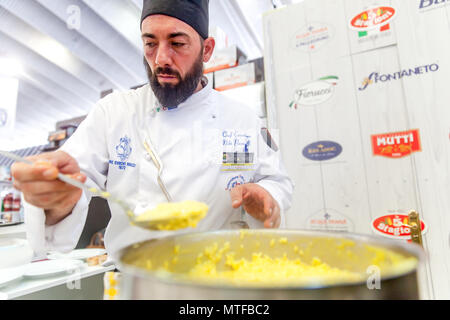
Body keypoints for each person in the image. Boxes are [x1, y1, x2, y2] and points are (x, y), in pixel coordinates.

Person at [11, 0, 294, 260]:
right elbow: (68, 180)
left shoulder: (241, 118)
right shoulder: (114, 112)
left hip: (218, 279)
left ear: (206, 50)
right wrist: (55, 196)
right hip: (135, 280)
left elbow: (277, 181)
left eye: (177, 43)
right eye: (150, 44)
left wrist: (267, 196)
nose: (161, 59)